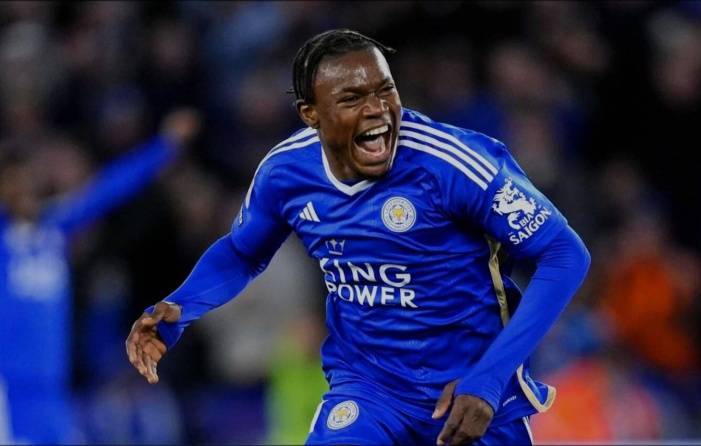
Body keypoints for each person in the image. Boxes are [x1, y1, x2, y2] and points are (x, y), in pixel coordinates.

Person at [127, 29, 590, 446]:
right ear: (311, 114)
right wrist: (181, 307)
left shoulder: (454, 163)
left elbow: (565, 254)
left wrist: (490, 378)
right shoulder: (286, 173)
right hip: (370, 391)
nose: (377, 110)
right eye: (351, 98)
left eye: (385, 89)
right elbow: (241, 252)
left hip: (469, 392)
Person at [0, 109, 199, 443]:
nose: (24, 189)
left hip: (53, 388)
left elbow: (108, 189)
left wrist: (165, 146)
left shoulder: (54, 230)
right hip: (8, 392)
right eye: (12, 182)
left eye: (28, 180)